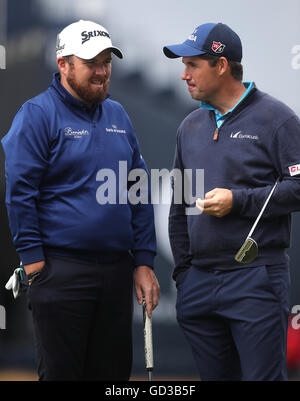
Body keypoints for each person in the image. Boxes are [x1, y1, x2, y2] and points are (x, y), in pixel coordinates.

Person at [2, 19, 160, 381]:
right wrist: (34, 264)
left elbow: (138, 188)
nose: (102, 72)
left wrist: (145, 261)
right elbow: (20, 193)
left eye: (107, 62)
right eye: (92, 63)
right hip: (60, 272)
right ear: (64, 64)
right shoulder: (37, 115)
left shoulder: (118, 115)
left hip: (116, 272)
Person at [163, 22, 300, 381]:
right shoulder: (189, 126)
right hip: (198, 283)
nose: (184, 75)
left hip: (255, 279)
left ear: (221, 65)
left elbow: (299, 187)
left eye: (192, 65)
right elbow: (179, 205)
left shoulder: (278, 119)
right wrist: (183, 273)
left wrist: (237, 202)